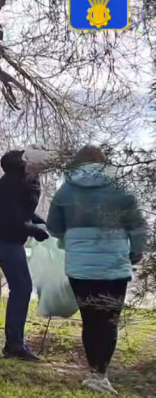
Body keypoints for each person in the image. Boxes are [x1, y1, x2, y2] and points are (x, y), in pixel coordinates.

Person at [46, 145, 147, 394]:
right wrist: (135, 251)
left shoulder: (65, 190)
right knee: (109, 320)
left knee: (90, 320)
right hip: (115, 266)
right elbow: (137, 226)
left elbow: (53, 227)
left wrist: (72, 236)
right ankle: (102, 374)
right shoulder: (121, 188)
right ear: (104, 163)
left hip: (80, 267)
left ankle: (94, 372)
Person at [0, 148, 50, 361]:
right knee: (22, 287)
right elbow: (10, 216)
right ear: (29, 163)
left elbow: (24, 211)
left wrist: (41, 222)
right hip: (2, 237)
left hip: (13, 237)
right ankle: (14, 344)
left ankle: (15, 342)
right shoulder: (11, 181)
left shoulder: (29, 179)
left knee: (21, 287)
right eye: (40, 167)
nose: (42, 172)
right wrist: (33, 230)